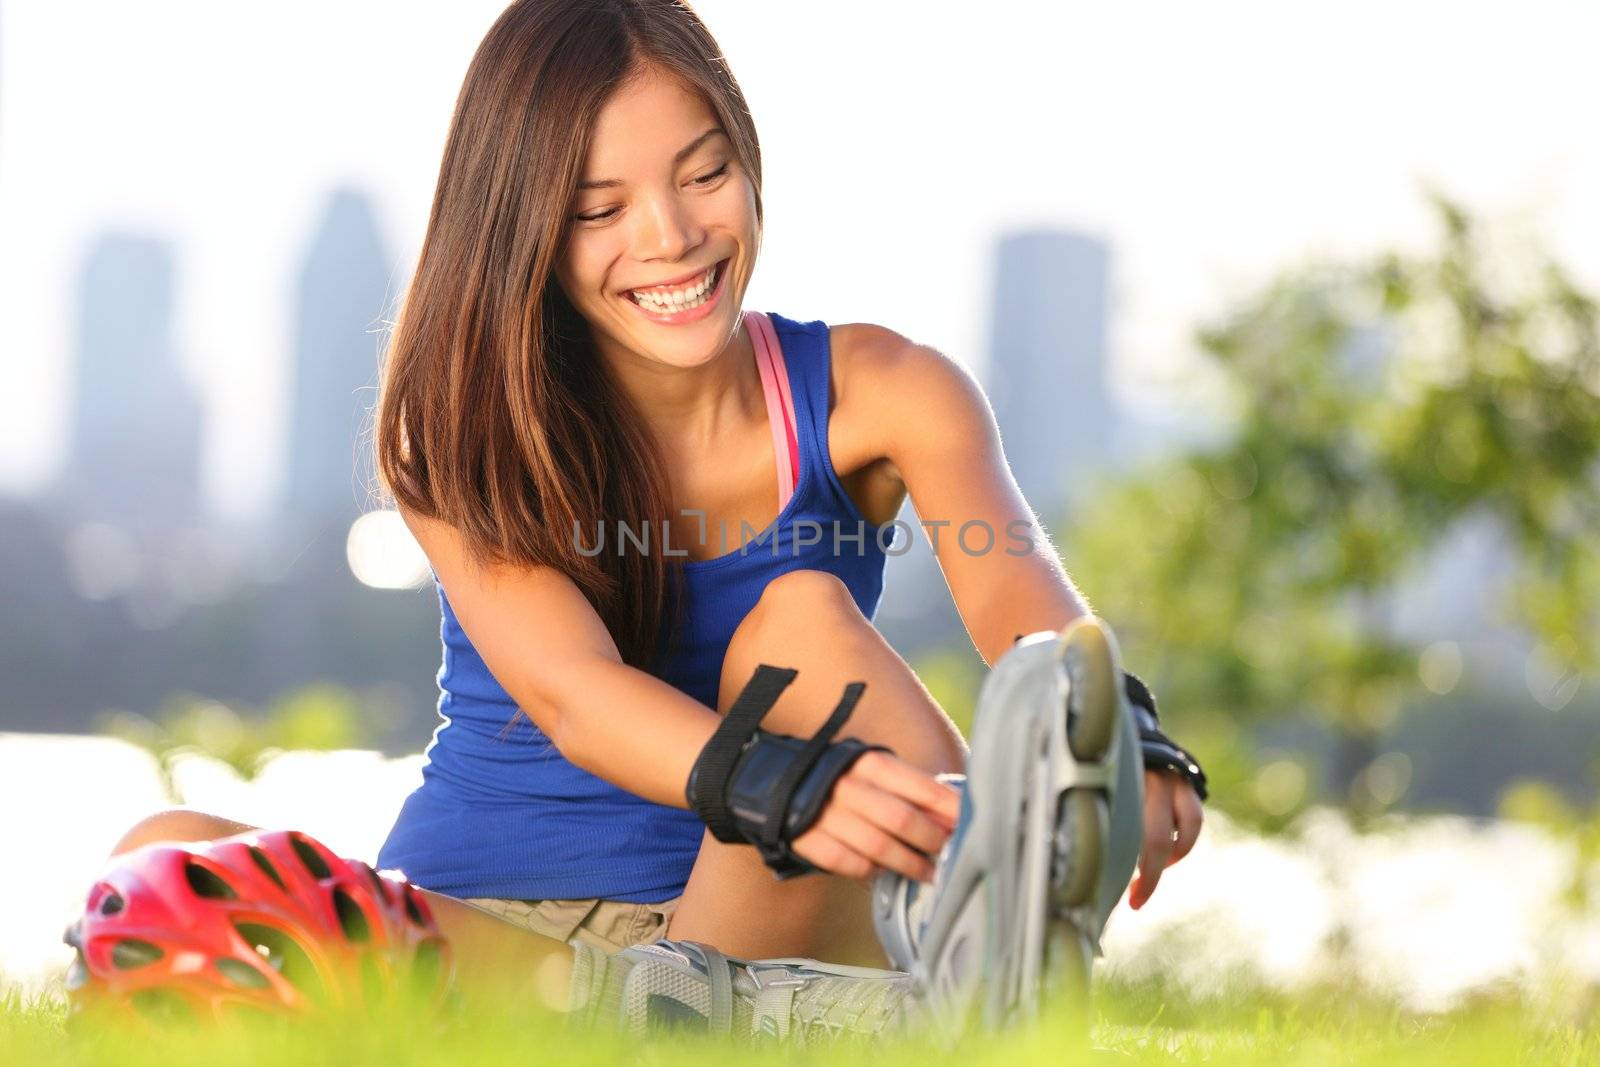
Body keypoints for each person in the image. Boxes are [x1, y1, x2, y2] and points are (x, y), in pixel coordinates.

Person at [107, 0, 1207, 1041]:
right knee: (164, 865)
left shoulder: (886, 391)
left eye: (705, 173)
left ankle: (771, 1002)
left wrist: (1123, 741)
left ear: (748, 158)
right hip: (488, 932)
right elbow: (572, 693)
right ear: (524, 225)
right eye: (600, 208)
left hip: (746, 919)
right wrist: (788, 781)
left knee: (806, 621)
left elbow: (1024, 609)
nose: (672, 235)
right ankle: (701, 1026)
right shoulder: (459, 426)